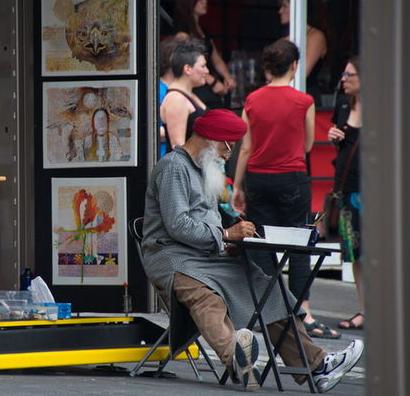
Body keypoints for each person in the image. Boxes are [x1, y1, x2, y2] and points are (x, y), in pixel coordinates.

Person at [142, 109, 363, 392]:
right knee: (206, 298)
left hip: (206, 254)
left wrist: (230, 238)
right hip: (173, 258)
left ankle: (317, 367)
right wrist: (224, 235)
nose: (229, 153)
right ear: (211, 139)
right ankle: (236, 356)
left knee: (267, 288)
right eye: (228, 145)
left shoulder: (202, 168)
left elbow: (206, 221)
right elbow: (177, 225)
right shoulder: (174, 166)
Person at [232, 39, 340, 340]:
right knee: (300, 245)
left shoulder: (252, 100)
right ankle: (300, 311)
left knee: (262, 244)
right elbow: (307, 145)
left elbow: (246, 148)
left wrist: (237, 186)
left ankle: (272, 308)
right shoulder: (304, 101)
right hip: (292, 178)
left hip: (258, 178)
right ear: (294, 66)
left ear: (267, 67)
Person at [328, 57, 364, 330]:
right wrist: (333, 136)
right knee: (356, 254)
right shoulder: (342, 106)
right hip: (347, 189)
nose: (343, 79)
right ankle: (365, 310)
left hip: (374, 191)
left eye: (349, 74)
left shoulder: (382, 111)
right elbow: (341, 143)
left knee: (377, 253)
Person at [173, 0, 237, 109]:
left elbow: (217, 60)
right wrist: (212, 82)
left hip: (209, 86)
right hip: (197, 88)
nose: (205, 1)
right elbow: (188, 62)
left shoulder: (204, 31)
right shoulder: (182, 31)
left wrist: (228, 77)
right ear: (190, 1)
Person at [278, 0, 332, 105]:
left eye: (284, 6)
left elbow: (303, 72)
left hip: (306, 96)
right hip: (283, 96)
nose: (280, 11)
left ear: (297, 8)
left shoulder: (316, 36)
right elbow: (269, 71)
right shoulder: (283, 40)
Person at [160, 37, 208, 151]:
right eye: (203, 66)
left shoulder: (189, 94)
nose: (207, 71)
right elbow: (178, 147)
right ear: (188, 69)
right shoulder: (176, 99)